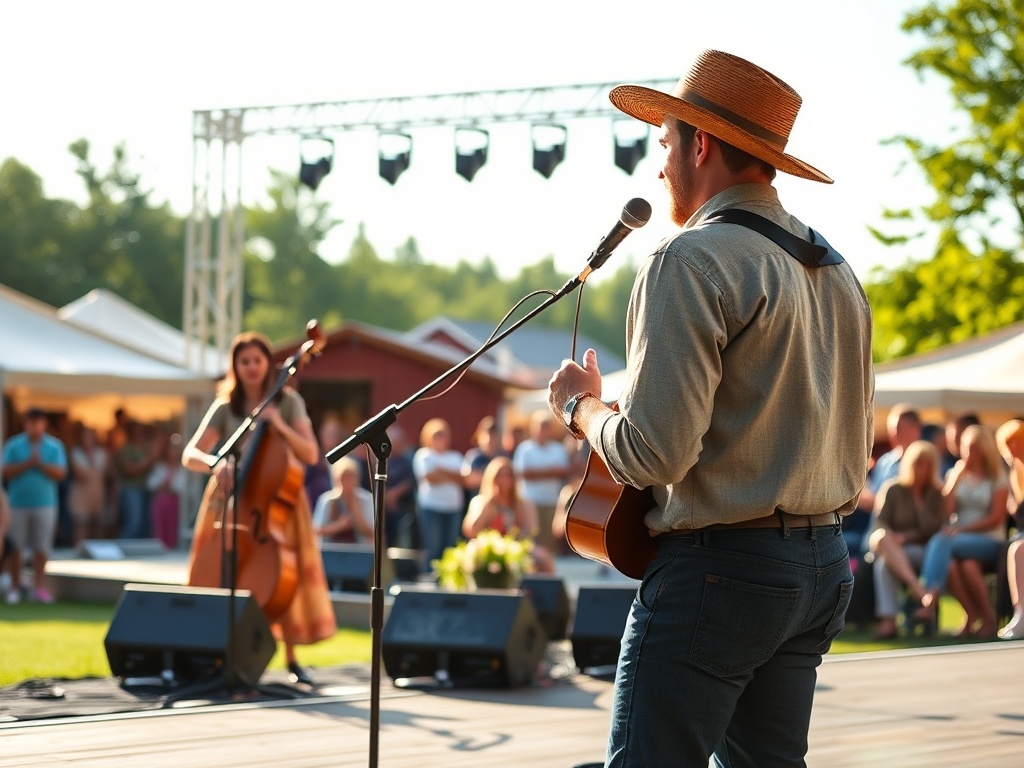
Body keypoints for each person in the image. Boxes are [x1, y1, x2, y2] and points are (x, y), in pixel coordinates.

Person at [546, 50, 873, 767]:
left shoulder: (688, 260)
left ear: (700, 144)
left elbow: (656, 454)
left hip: (720, 570)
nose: (660, 165)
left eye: (664, 144)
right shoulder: (837, 268)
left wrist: (581, 409)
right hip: (822, 564)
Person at [181, 331, 335, 686]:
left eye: (257, 360)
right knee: (221, 573)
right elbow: (190, 454)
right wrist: (215, 463)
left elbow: (311, 454)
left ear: (269, 364)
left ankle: (292, 657)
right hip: (230, 501)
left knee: (284, 576)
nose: (251, 367)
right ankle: (214, 649)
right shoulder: (225, 407)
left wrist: (276, 424)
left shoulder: (288, 401)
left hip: (276, 503)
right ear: (235, 366)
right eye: (243, 361)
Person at [916, 424, 1008, 638]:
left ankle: (930, 597)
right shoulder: (957, 473)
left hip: (989, 540)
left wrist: (962, 529)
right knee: (959, 566)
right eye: (967, 447)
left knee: (941, 541)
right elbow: (946, 513)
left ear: (985, 449)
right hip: (961, 543)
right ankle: (978, 616)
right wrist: (955, 479)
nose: (970, 453)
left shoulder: (997, 477)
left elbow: (997, 518)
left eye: (975, 447)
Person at [866, 440, 946, 639]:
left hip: (920, 550)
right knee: (883, 548)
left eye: (929, 464)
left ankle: (893, 618)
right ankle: (914, 596)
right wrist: (895, 538)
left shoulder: (936, 493)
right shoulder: (893, 489)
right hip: (891, 546)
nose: (924, 469)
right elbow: (880, 523)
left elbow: (934, 528)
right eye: (919, 463)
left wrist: (908, 533)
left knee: (887, 563)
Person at [2, 407, 68, 604]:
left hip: (45, 504)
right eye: (31, 422)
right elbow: (5, 471)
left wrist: (39, 464)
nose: (34, 426)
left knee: (42, 548)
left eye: (38, 422)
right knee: (16, 548)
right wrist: (28, 463)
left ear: (44, 423)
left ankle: (38, 588)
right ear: (26, 423)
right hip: (17, 504)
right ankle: (14, 588)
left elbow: (61, 473)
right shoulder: (14, 445)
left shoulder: (54, 446)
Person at [462, 457, 554, 573]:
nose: (504, 480)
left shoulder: (524, 504)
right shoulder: (480, 501)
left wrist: (514, 542)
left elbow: (532, 531)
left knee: (543, 558)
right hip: (486, 548)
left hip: (516, 547)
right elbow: (470, 531)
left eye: (508, 475)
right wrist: (488, 506)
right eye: (499, 475)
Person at [512, 411, 570, 556]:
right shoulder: (524, 449)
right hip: (530, 502)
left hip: (552, 502)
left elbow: (563, 471)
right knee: (530, 538)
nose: (543, 430)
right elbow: (524, 474)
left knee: (548, 540)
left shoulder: (558, 449)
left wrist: (537, 472)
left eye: (546, 427)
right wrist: (550, 471)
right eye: (540, 426)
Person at [412, 418, 465, 565]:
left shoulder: (455, 456)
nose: (440, 439)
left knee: (449, 547)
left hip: (453, 508)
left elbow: (463, 479)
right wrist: (452, 475)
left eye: (443, 435)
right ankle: (429, 578)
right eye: (437, 435)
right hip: (431, 507)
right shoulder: (424, 454)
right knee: (433, 546)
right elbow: (430, 477)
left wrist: (441, 471)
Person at [996, 418, 1024, 639]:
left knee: (1017, 550)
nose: (1011, 448)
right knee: (1011, 548)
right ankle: (1017, 612)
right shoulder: (1016, 474)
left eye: (1015, 442)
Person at [312, 456, 374, 544]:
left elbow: (372, 533)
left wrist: (356, 511)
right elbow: (317, 530)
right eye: (343, 478)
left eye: (351, 478)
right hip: (331, 551)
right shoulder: (327, 500)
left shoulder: (366, 499)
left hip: (359, 552)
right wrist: (339, 525)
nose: (347, 483)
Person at [66, 423, 108, 546]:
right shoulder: (75, 453)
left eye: (90, 436)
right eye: (85, 437)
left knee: (96, 527)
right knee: (81, 526)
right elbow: (81, 474)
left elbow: (104, 474)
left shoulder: (102, 454)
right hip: (81, 495)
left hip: (97, 494)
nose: (88, 440)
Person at [146, 432, 185, 550]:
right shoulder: (160, 467)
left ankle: (172, 547)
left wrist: (170, 487)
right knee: (159, 526)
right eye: (171, 450)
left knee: (173, 526)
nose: (173, 453)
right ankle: (160, 548)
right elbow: (151, 484)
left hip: (176, 503)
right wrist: (163, 485)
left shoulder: (183, 469)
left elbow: (183, 488)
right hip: (160, 501)